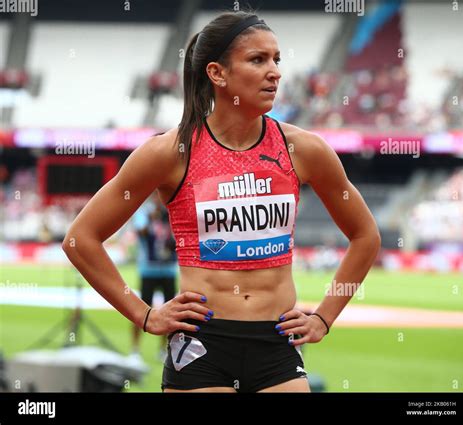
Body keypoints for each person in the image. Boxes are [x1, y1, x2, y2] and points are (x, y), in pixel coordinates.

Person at [62, 10, 381, 393]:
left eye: (277, 59)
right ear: (217, 73)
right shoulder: (170, 152)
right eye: (258, 59)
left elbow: (366, 235)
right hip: (201, 346)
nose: (275, 72)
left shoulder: (303, 149)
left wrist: (325, 318)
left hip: (277, 345)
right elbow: (81, 238)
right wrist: (145, 315)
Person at [130, 192, 177, 362]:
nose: (159, 199)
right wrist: (152, 218)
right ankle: (135, 350)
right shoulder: (144, 213)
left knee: (170, 310)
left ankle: (164, 350)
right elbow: (141, 233)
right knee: (141, 310)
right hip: (148, 269)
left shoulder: (173, 211)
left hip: (168, 269)